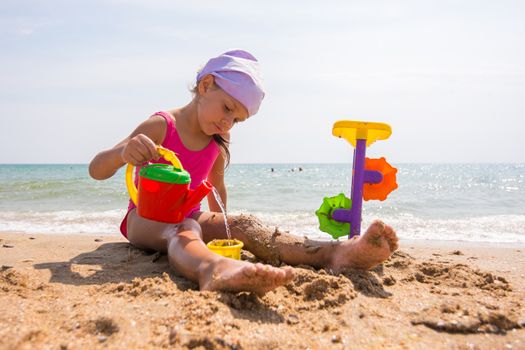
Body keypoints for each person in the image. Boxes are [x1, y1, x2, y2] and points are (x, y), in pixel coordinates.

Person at [89, 50, 398, 296]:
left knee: (244, 224)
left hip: (189, 216)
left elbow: (216, 191)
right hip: (144, 220)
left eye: (236, 119)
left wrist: (228, 228)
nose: (227, 124)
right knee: (182, 229)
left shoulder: (216, 142)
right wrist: (122, 152)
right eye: (227, 108)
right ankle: (211, 269)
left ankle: (335, 253)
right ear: (206, 84)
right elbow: (96, 169)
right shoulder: (161, 125)